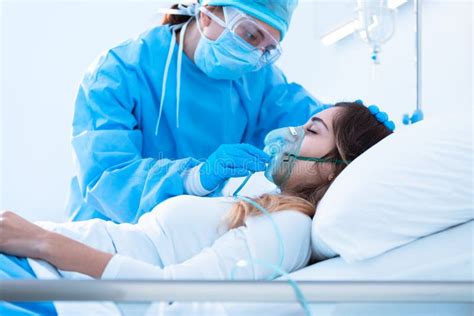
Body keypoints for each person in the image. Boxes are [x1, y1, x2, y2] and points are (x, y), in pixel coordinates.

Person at [1, 102, 394, 314]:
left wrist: (41, 242)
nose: (290, 133)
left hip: (54, 278)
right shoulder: (263, 207)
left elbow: (174, 295)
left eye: (311, 131)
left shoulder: (290, 227)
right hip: (47, 268)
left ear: (336, 170)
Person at [67, 0, 330, 224]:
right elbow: (107, 178)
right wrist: (194, 179)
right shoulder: (118, 72)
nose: (254, 55)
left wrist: (360, 124)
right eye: (250, 35)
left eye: (268, 48)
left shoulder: (258, 80)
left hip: (187, 236)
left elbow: (320, 123)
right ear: (207, 14)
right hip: (106, 236)